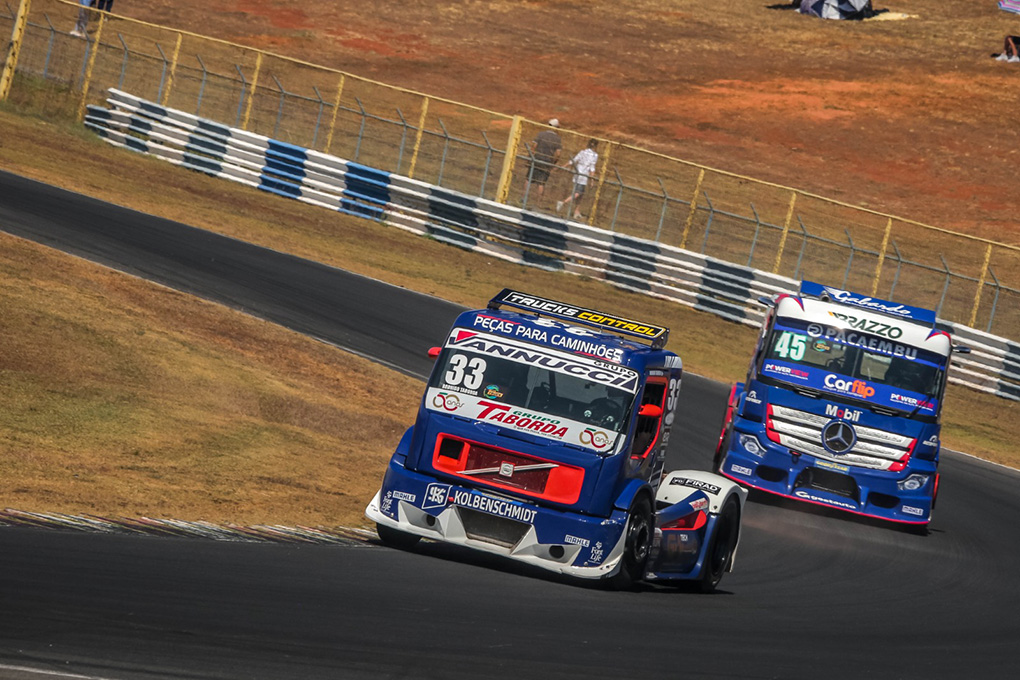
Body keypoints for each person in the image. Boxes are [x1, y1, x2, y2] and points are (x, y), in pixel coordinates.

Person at [556, 138, 599, 219]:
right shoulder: (595, 155)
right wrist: (592, 180)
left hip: (577, 174)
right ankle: (562, 202)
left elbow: (573, 161)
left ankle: (577, 211)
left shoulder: (582, 152)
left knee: (580, 194)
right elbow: (592, 168)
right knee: (578, 193)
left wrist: (563, 166)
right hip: (583, 176)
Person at [524, 118, 562, 205]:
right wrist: (553, 163)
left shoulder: (541, 134)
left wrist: (529, 157)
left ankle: (523, 198)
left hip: (537, 159)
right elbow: (558, 154)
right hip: (547, 162)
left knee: (528, 179)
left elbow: (533, 147)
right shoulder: (557, 139)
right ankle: (538, 202)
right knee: (541, 183)